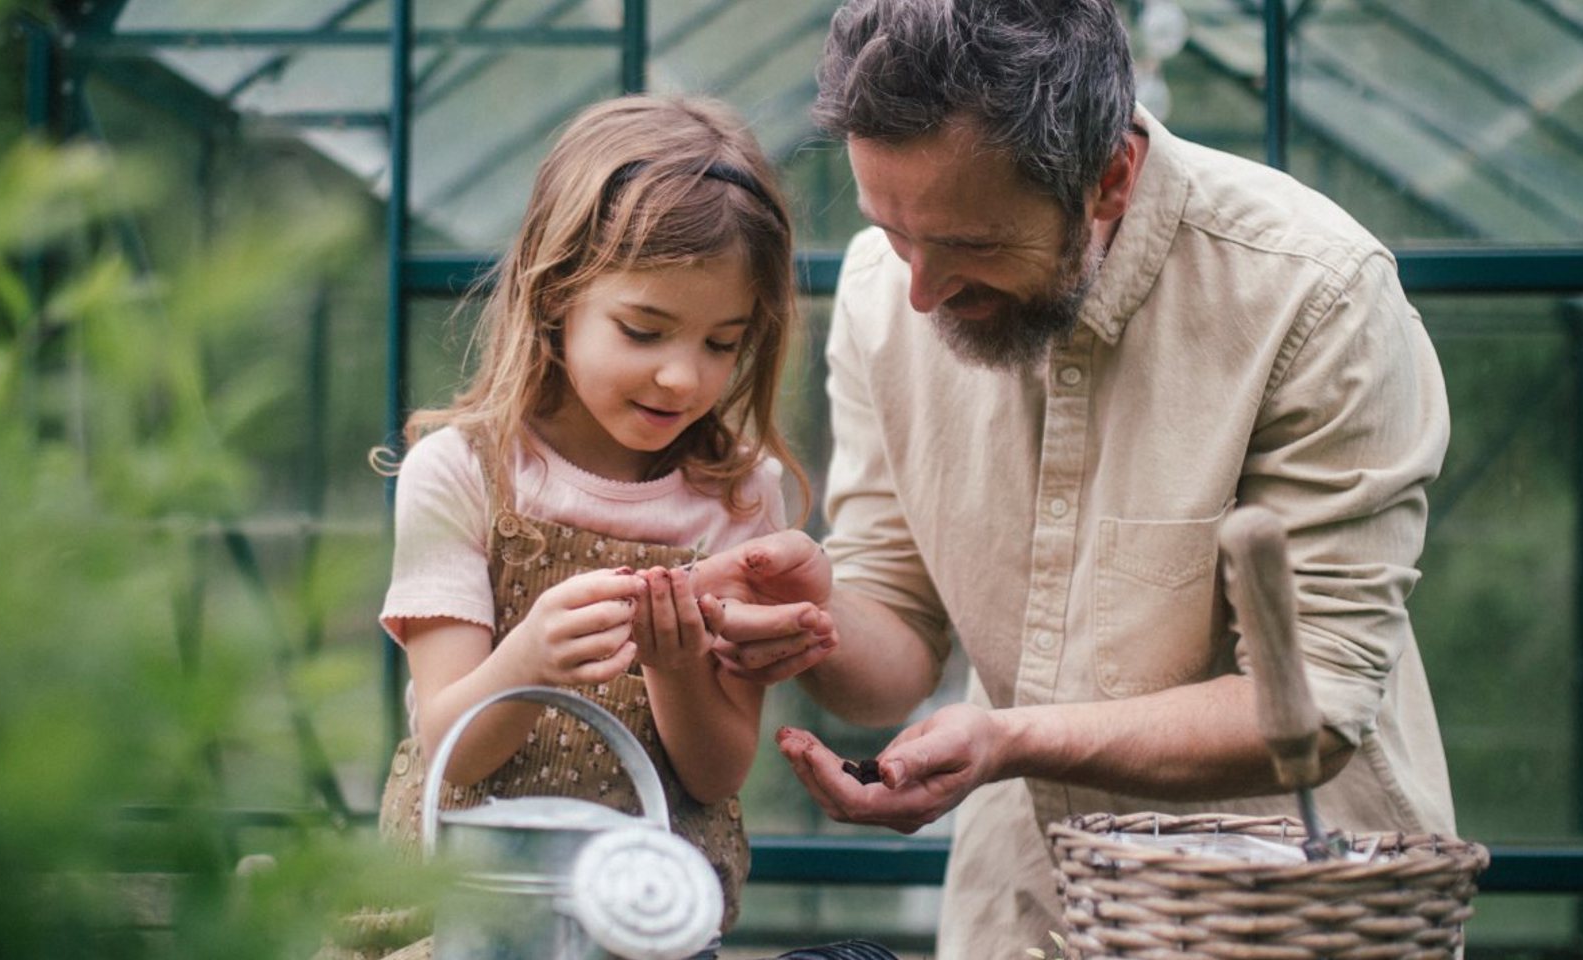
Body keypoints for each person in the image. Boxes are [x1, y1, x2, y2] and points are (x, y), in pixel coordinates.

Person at [693, 0, 1458, 954]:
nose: (922, 290)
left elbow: (1317, 702)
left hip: (1294, 907)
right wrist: (814, 615)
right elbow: (895, 647)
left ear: (1109, 179)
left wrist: (1010, 739)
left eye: (971, 244)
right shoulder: (877, 293)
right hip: (1024, 906)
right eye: (892, 229)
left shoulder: (1313, 293)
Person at [358, 94, 833, 958]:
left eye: (724, 344)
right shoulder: (462, 473)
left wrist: (678, 664)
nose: (684, 378)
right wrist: (530, 658)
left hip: (646, 926)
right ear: (554, 296)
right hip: (465, 915)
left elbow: (717, 774)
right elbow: (450, 747)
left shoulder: (740, 498)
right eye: (644, 330)